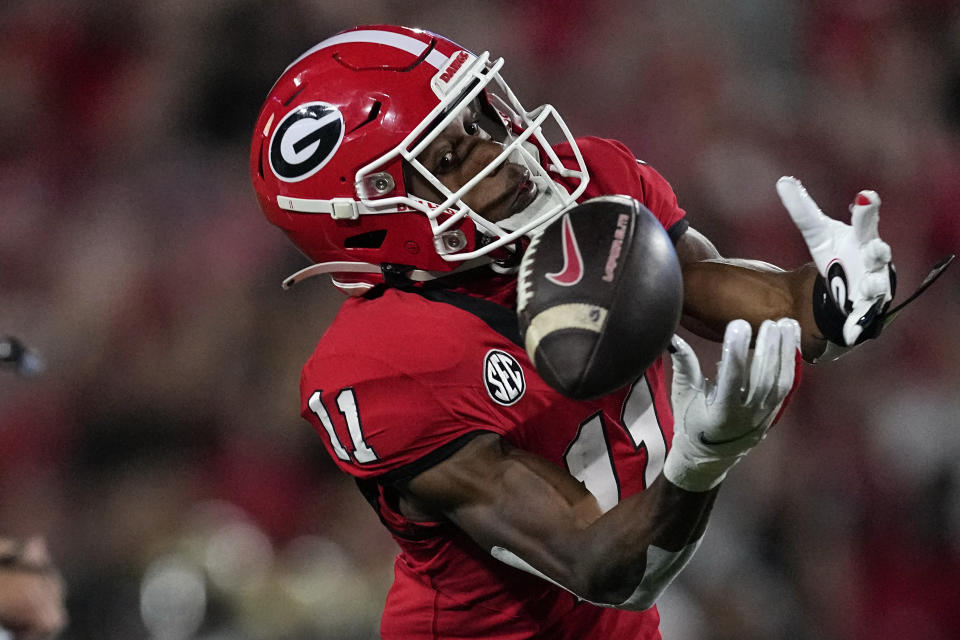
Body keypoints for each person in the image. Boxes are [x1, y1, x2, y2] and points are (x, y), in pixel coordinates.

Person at [249, 25, 899, 639]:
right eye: (450, 153)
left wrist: (835, 294)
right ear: (370, 219)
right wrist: (702, 463)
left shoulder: (588, 185)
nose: (497, 150)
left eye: (479, 116)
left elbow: (735, 293)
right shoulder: (383, 365)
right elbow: (601, 565)